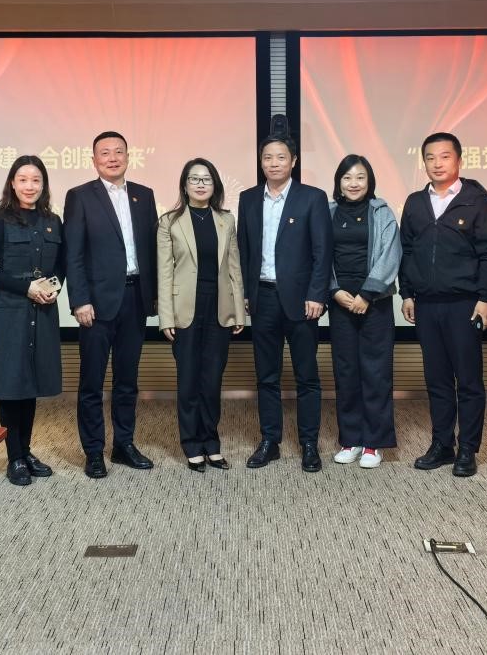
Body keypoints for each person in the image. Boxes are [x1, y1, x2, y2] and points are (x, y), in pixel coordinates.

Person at [399, 132, 487, 479]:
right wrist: (407, 292)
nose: (437, 163)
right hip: (427, 304)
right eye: (430, 157)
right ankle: (442, 444)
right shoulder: (415, 202)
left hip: (465, 304)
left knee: (468, 379)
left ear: (459, 160)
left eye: (444, 156)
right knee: (437, 379)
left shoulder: (477, 201)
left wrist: (486, 298)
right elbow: (407, 250)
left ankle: (468, 449)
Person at [64, 131, 157, 479]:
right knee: (92, 382)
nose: (113, 158)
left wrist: (155, 295)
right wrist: (80, 300)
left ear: (129, 157)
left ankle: (124, 444)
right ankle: (93, 451)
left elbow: (152, 249)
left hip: (135, 298)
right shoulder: (80, 196)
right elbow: (73, 253)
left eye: (119, 152)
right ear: (94, 160)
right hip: (97, 303)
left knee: (127, 379)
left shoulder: (144, 195)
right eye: (105, 153)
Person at [237, 134, 332, 473]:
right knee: (266, 375)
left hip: (302, 301)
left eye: (280, 157)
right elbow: (244, 250)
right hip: (262, 297)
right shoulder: (248, 198)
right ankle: (270, 441)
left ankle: (309, 443)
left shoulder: (312, 198)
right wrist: (245, 292)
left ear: (293, 161)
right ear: (260, 161)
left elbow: (323, 252)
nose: (273, 163)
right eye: (267, 157)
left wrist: (317, 294)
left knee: (307, 376)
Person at [0, 155, 66, 486]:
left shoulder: (53, 221)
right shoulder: (0, 220)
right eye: (23, 179)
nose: (30, 186)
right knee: (12, 384)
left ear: (43, 185)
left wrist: (52, 288)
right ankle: (14, 457)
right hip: (12, 311)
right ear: (12, 184)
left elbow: (62, 265)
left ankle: (26, 451)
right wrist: (26, 288)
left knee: (31, 385)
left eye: (36, 180)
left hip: (43, 311)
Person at [157, 158, 245, 472]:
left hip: (218, 308)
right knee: (188, 380)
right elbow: (164, 272)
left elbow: (234, 268)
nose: (200, 184)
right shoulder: (169, 221)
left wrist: (239, 311)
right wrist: (166, 317)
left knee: (212, 380)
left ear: (215, 185)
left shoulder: (226, 220)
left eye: (206, 179)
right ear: (184, 185)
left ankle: (212, 443)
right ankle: (192, 445)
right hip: (185, 310)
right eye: (194, 179)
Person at [328, 154, 400, 469]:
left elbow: (391, 253)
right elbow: (319, 254)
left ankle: (373, 443)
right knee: (346, 372)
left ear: (369, 181)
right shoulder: (328, 212)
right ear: (339, 182)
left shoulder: (382, 212)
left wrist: (367, 294)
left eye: (360, 177)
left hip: (375, 303)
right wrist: (333, 290)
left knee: (376, 372)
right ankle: (351, 439)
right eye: (347, 177)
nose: (353, 183)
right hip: (340, 302)